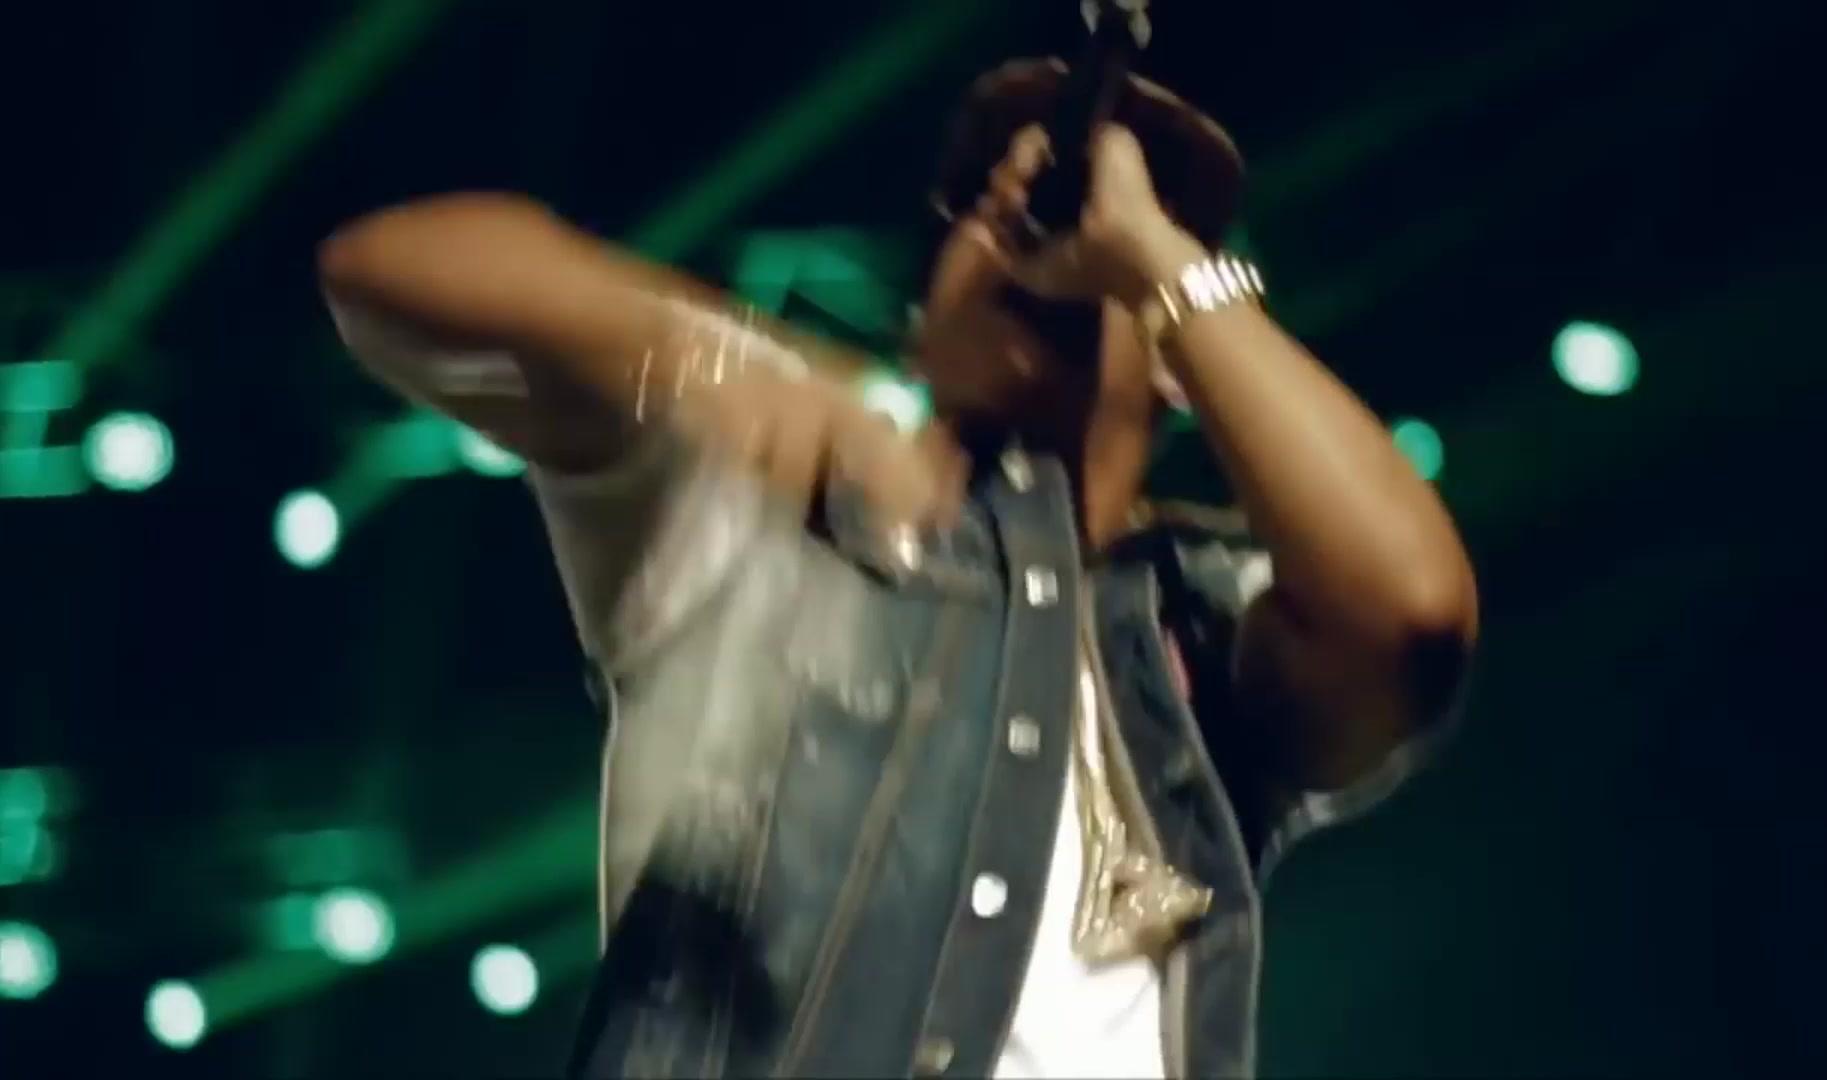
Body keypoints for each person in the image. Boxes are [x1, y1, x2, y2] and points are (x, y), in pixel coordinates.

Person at [319, 57, 1476, 1080]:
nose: (1045, 230)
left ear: (1179, 357)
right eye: (992, 205)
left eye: (1090, 218)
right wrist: (728, 363)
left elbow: (1412, 612)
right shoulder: (776, 515)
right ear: (928, 312)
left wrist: (1154, 254)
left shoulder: (1202, 639)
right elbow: (391, 273)